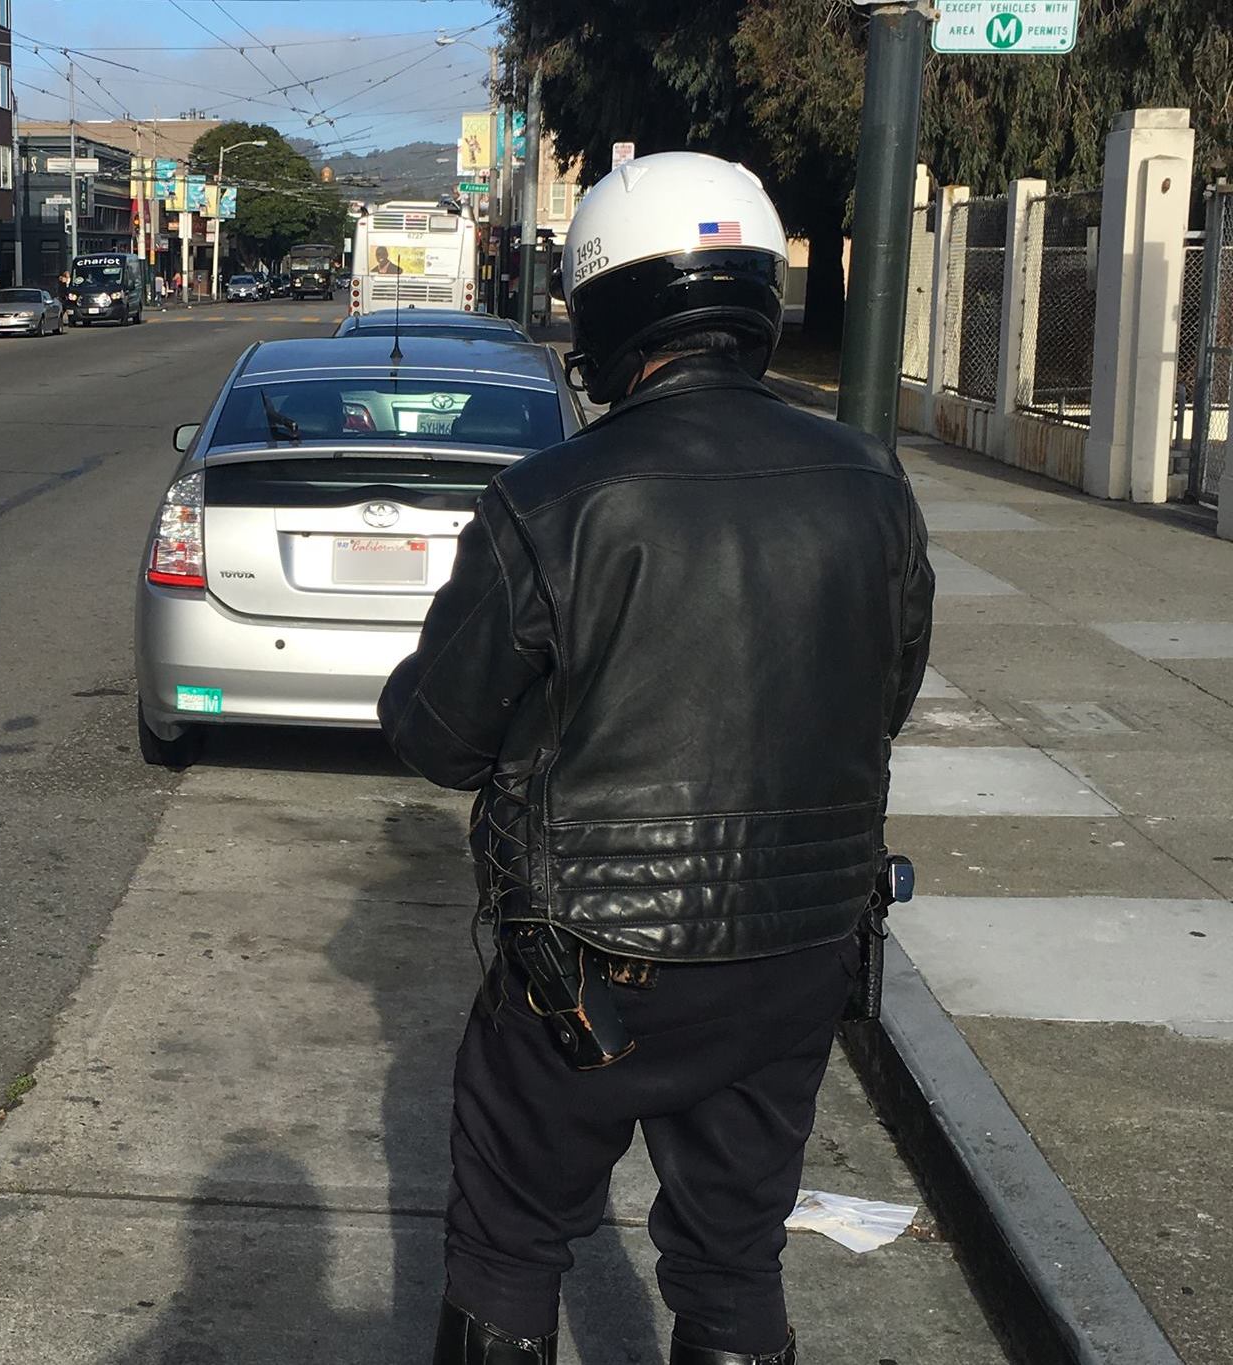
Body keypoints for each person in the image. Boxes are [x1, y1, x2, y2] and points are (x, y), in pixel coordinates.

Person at [379, 151, 935, 1365]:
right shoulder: (870, 484)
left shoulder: (552, 501)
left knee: (508, 1241)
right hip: (797, 948)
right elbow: (881, 699)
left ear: (606, 307)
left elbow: (438, 736)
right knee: (735, 1251)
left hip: (592, 962)